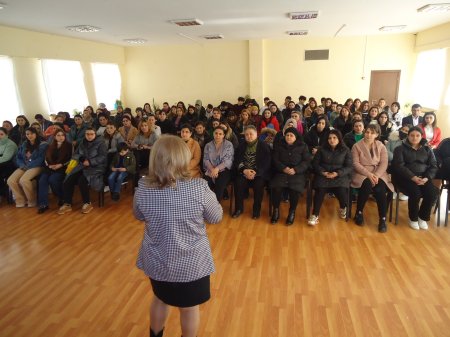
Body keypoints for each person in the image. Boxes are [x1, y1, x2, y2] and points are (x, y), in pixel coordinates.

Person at [134, 135, 222, 337]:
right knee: (189, 308)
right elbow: (216, 217)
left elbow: (138, 215)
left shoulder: (143, 188)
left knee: (159, 298)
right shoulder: (199, 187)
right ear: (184, 157)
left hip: (158, 260)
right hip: (191, 263)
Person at [392, 127, 439, 230]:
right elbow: (399, 166)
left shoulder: (427, 149)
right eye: (412, 135)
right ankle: (413, 218)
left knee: (432, 193)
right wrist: (413, 177)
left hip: (424, 177)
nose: (414, 138)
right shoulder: (399, 149)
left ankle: (422, 217)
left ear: (422, 136)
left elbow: (433, 165)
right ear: (408, 136)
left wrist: (427, 178)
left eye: (417, 135)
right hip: (405, 177)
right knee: (415, 193)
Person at [351, 124, 394, 233]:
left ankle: (382, 219)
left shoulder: (381, 146)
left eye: (372, 133)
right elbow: (355, 164)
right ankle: (359, 212)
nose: (368, 134)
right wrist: (369, 174)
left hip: (379, 173)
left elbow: (384, 163)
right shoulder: (356, 146)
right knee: (366, 185)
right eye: (367, 132)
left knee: (380, 189)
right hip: (362, 173)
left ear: (377, 135)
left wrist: (376, 175)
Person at [58, 128, 107, 215]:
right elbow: (76, 154)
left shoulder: (101, 143)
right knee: (68, 179)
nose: (89, 136)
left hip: (96, 168)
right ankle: (67, 203)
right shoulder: (82, 143)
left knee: (82, 181)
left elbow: (103, 157)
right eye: (87, 134)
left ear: (95, 134)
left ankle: (87, 203)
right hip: (82, 166)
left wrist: (90, 162)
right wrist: (81, 158)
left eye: (91, 134)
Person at [308, 130, 353, 225]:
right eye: (329, 138)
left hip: (339, 176)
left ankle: (343, 207)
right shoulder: (321, 149)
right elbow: (315, 164)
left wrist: (337, 173)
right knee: (319, 191)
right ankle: (315, 215)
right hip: (324, 175)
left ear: (339, 139)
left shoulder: (346, 150)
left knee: (341, 191)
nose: (331, 140)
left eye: (334, 138)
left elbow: (349, 167)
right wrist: (323, 172)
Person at [271, 127, 312, 225]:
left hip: (297, 173)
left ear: (296, 137)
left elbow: (306, 161)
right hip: (282, 171)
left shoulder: (303, 146)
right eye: (287, 135)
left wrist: (296, 169)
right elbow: (275, 160)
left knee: (295, 190)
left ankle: (292, 212)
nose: (289, 137)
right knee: (276, 188)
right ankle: (276, 210)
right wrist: (283, 168)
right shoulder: (279, 145)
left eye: (291, 135)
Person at [232, 125, 271, 219]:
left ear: (256, 134)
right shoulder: (241, 145)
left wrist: (255, 172)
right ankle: (239, 209)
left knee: (259, 185)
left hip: (258, 173)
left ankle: (256, 210)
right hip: (244, 172)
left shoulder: (264, 146)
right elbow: (237, 160)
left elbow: (266, 163)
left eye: (251, 134)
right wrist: (244, 170)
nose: (249, 136)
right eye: (246, 134)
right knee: (238, 183)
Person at [7, 127, 48, 208]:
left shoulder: (43, 144)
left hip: (38, 166)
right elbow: (18, 157)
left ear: (36, 134)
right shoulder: (24, 144)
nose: (30, 136)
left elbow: (41, 159)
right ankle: (20, 200)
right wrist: (21, 165)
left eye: (32, 133)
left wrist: (28, 166)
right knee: (10, 180)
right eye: (27, 134)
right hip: (24, 166)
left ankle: (31, 200)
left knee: (24, 180)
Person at [37, 130, 72, 213]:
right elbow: (46, 158)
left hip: (62, 168)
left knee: (53, 180)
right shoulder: (50, 146)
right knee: (42, 181)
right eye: (58, 135)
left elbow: (70, 159)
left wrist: (61, 165)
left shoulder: (69, 146)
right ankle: (43, 204)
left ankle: (62, 197)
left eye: (62, 135)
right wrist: (49, 165)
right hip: (50, 168)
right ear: (55, 137)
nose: (60, 137)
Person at [203, 126, 234, 202]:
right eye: (216, 133)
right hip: (210, 169)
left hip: (224, 170)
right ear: (213, 134)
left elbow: (228, 160)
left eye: (220, 134)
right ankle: (206, 206)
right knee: (205, 184)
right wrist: (212, 169)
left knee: (219, 184)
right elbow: (206, 159)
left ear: (223, 135)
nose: (218, 135)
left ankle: (216, 207)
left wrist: (216, 169)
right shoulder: (208, 145)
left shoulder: (229, 144)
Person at [0, 127, 18, 203]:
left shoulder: (10, 144)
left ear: (7, 135)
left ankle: (1, 194)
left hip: (10, 164)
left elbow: (6, 158)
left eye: (1, 134)